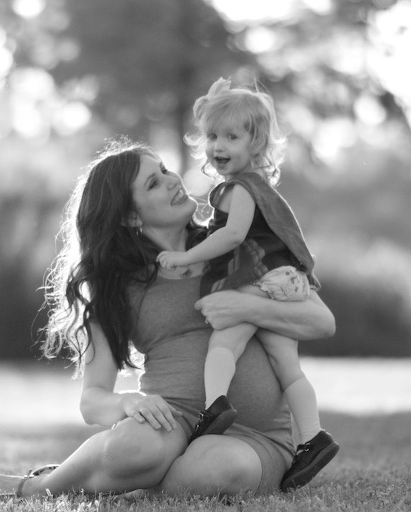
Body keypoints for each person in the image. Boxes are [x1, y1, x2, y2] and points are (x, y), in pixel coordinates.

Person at [0, 139, 336, 499]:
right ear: (130, 216)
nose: (172, 180)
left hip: (256, 437)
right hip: (172, 421)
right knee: (133, 448)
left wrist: (245, 308)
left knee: (213, 468)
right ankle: (40, 486)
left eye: (165, 170)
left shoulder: (238, 247)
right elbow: (92, 401)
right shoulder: (117, 288)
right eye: (154, 182)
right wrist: (128, 403)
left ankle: (135, 487)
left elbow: (321, 321)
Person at [157, 78, 338, 490]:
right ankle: (312, 438)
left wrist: (185, 257)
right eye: (212, 136)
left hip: (263, 279)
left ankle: (214, 408)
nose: (218, 146)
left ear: (256, 143)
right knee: (287, 367)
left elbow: (233, 235)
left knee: (224, 342)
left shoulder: (239, 188)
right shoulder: (260, 185)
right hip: (285, 279)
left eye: (231, 137)